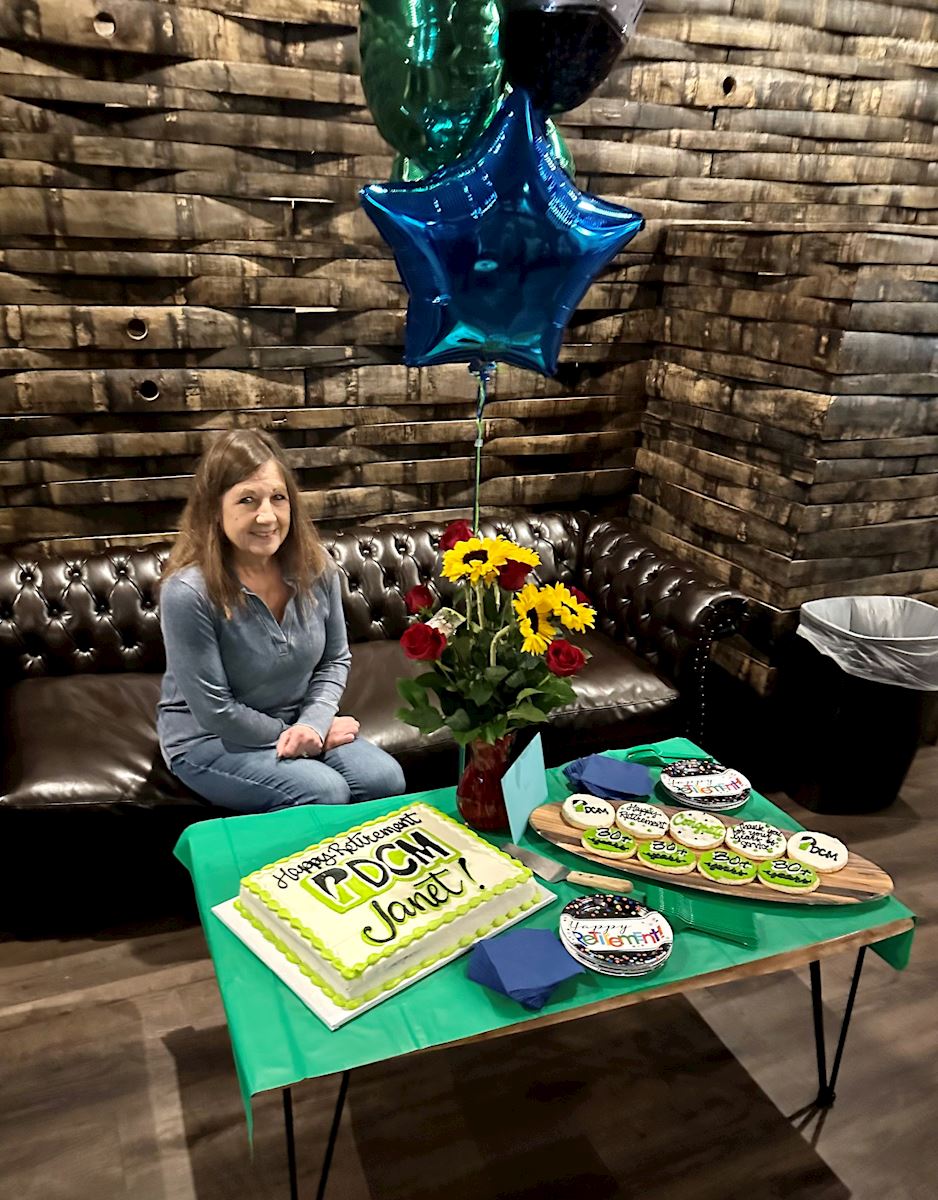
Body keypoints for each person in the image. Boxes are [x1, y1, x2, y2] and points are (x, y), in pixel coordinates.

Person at [157, 429, 406, 812]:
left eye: (277, 498)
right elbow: (216, 711)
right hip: (208, 739)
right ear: (214, 510)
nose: (267, 515)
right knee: (323, 792)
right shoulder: (187, 592)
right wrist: (310, 736)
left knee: (386, 780)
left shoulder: (317, 567)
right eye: (247, 500)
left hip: (298, 721)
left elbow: (334, 660)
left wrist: (312, 723)